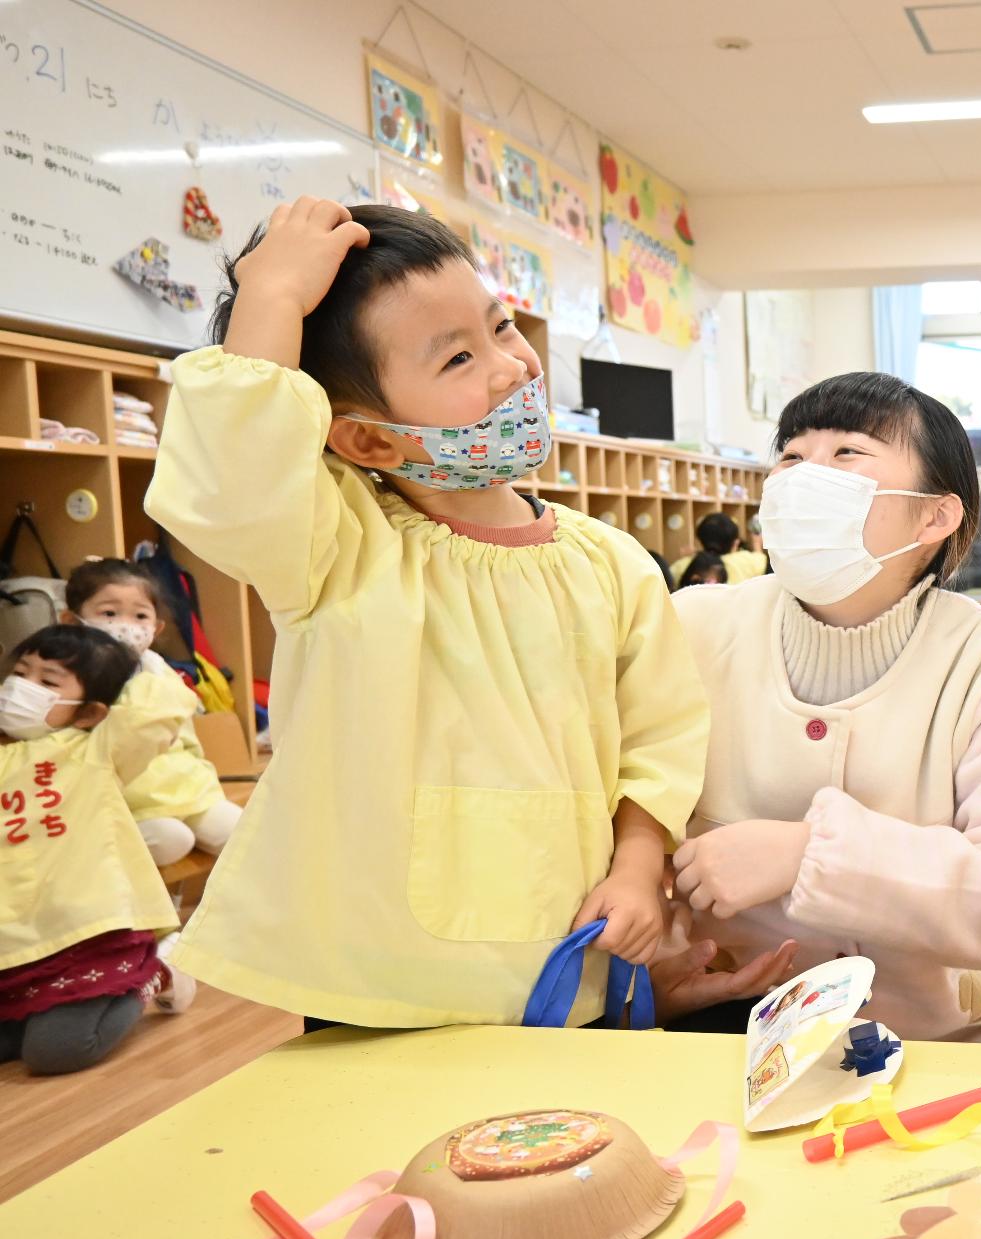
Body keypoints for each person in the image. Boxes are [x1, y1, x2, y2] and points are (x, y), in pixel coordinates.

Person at [144, 198, 708, 1028]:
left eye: (502, 327)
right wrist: (269, 301)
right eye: (456, 360)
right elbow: (237, 478)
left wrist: (636, 866)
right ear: (368, 441)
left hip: (569, 962)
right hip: (378, 987)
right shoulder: (335, 550)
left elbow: (659, 737)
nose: (512, 368)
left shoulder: (613, 564)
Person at [650, 371, 981, 1040]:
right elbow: (624, 826)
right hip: (716, 1031)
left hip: (928, 1045)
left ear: (935, 515)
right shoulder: (692, 625)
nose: (804, 476)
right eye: (792, 456)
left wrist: (810, 853)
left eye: (847, 453)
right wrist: (652, 971)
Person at [0, 626, 198, 1074]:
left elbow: (159, 710)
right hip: (16, 941)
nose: (22, 688)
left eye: (48, 682)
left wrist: (143, 658)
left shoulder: (93, 749)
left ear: (89, 712)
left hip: (91, 930)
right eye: (20, 673)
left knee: (57, 1052)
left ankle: (154, 972)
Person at [61, 559, 240, 868]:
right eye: (109, 613)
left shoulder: (161, 671)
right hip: (125, 800)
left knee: (246, 834)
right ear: (71, 620)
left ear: (156, 628)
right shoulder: (67, 675)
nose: (126, 625)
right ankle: (146, 907)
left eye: (140, 615)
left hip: (187, 789)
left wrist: (201, 777)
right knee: (171, 840)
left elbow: (186, 738)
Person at [668, 513, 767, 586]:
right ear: (735, 543)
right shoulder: (748, 560)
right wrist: (757, 544)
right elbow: (761, 559)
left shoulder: (681, 566)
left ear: (700, 539)